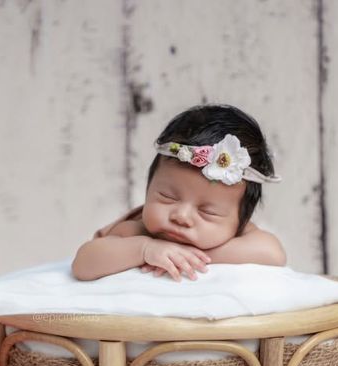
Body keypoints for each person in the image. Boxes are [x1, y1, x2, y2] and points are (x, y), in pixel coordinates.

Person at [72, 104, 287, 282]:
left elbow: (273, 254)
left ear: (241, 219)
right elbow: (83, 263)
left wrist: (187, 256)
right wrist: (145, 249)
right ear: (149, 188)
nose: (181, 216)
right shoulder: (134, 230)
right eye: (167, 197)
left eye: (208, 212)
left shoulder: (239, 234)